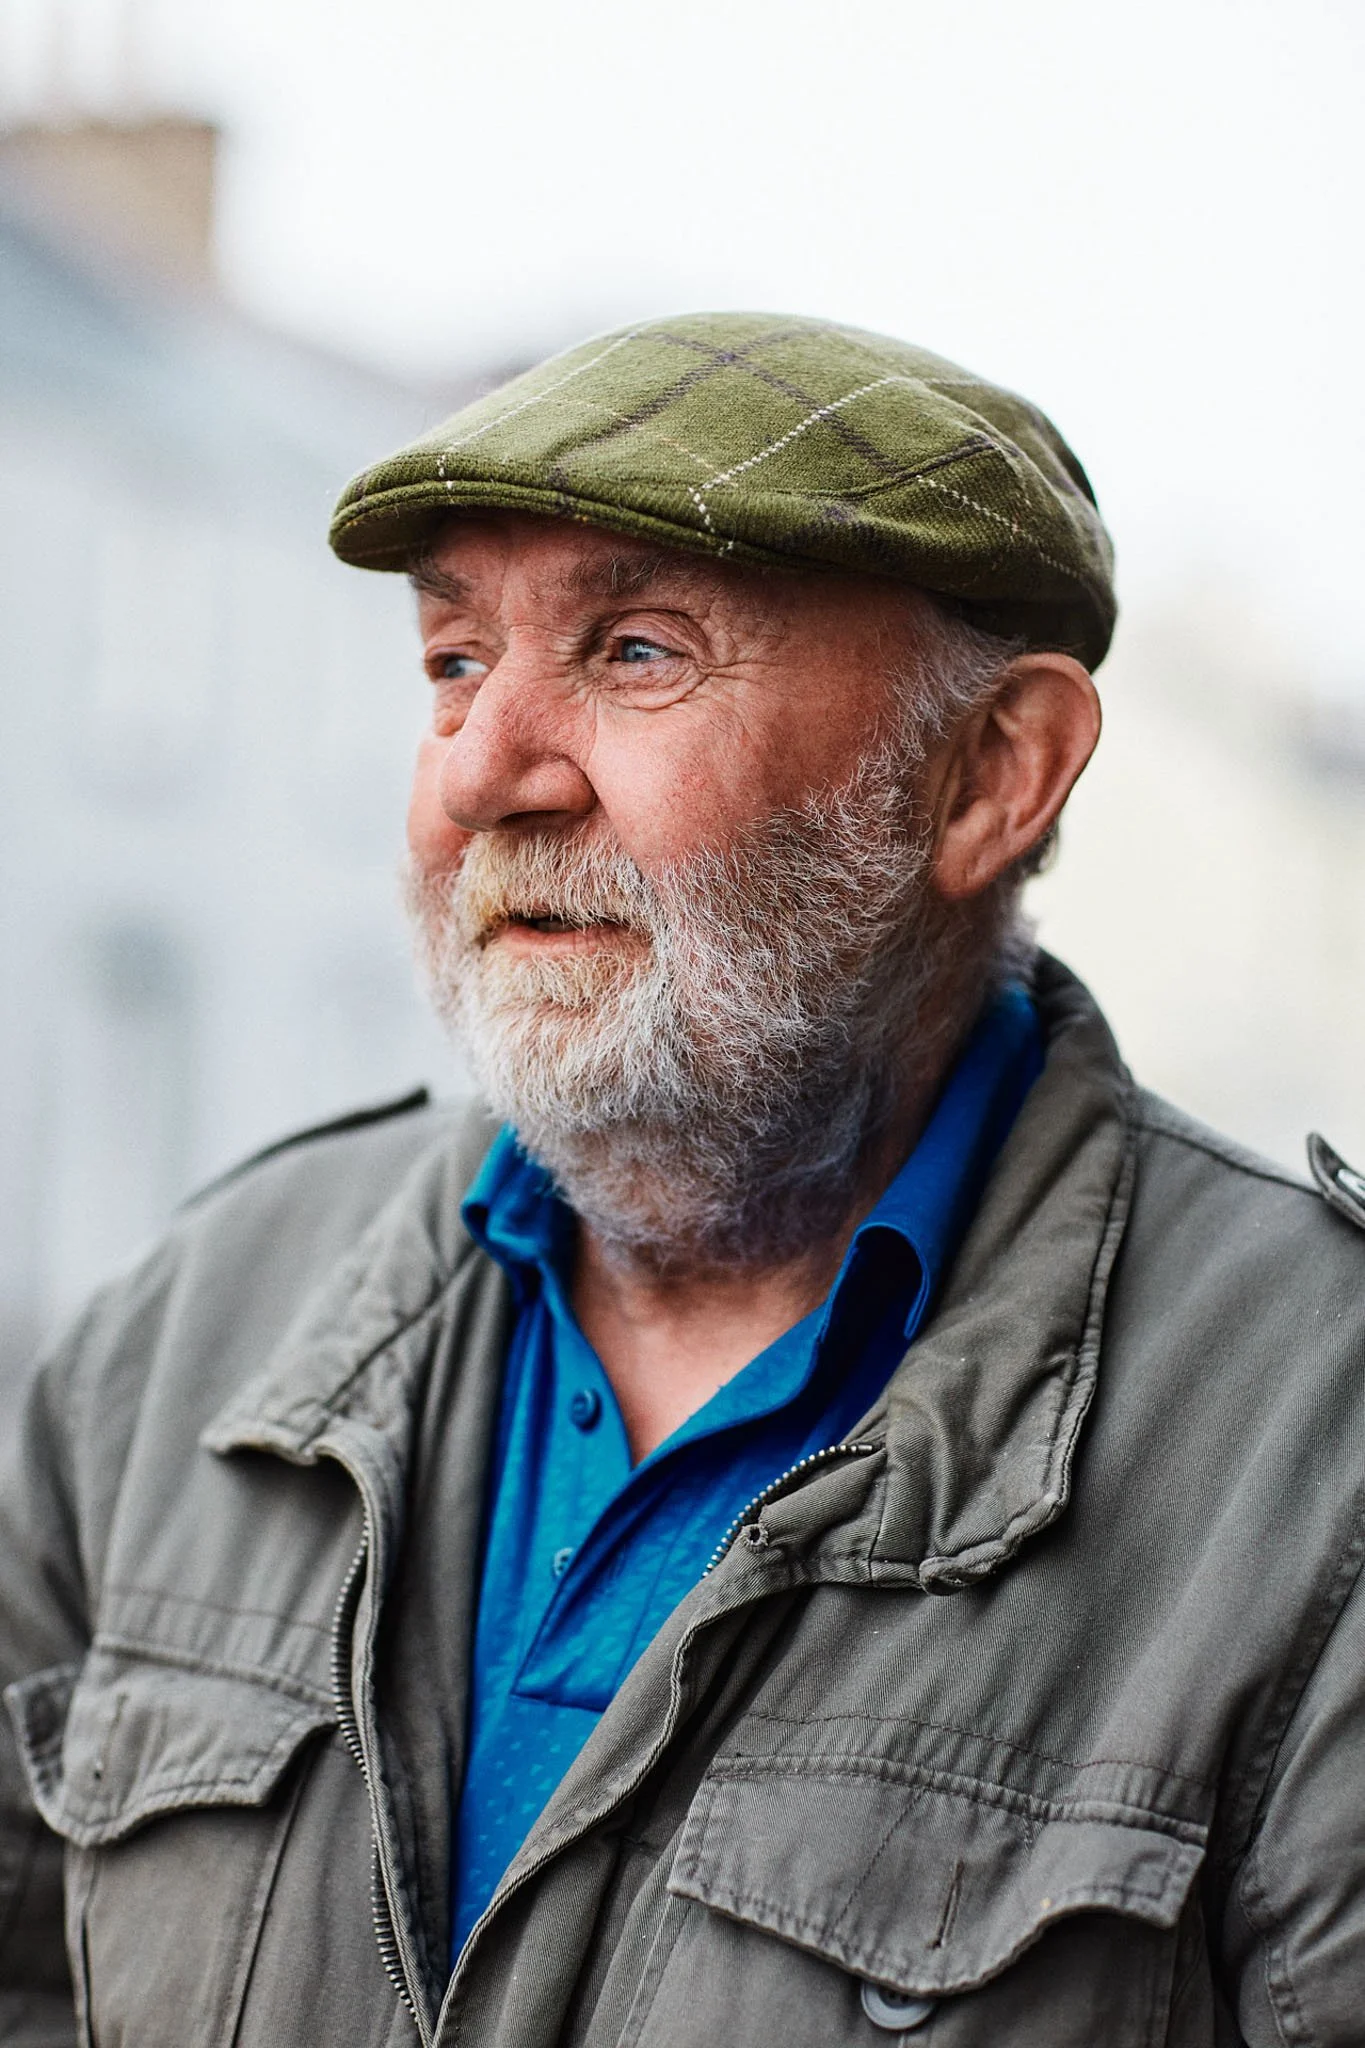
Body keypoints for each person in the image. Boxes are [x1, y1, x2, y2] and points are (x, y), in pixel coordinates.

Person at [2, 312, 1363, 2048]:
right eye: (452, 664)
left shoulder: (1317, 1443)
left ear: (988, 774)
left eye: (636, 652)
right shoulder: (191, 1333)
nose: (483, 771)